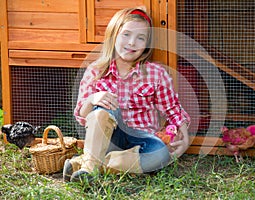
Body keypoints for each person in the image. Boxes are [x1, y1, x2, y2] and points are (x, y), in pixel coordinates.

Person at [63, 7, 191, 183]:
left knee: (160, 154)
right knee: (101, 110)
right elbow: (82, 115)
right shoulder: (96, 71)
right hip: (107, 140)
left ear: (146, 44)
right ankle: (91, 168)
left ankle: (85, 165)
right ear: (114, 35)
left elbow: (172, 108)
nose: (132, 43)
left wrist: (185, 138)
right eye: (126, 34)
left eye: (140, 38)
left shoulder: (155, 73)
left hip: (142, 141)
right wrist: (93, 100)